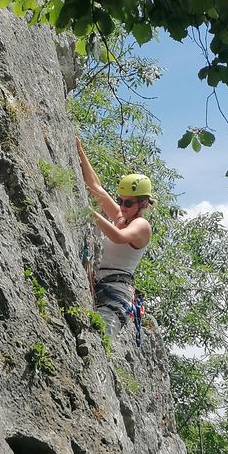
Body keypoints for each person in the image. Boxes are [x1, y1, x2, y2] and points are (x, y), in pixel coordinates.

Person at [76, 137, 153, 341]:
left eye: (128, 202)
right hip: (100, 282)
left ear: (143, 204)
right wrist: (81, 152)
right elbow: (96, 188)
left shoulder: (141, 226)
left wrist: (90, 213)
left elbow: (118, 237)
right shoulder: (121, 216)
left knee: (99, 339)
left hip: (118, 291)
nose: (122, 206)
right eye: (120, 201)